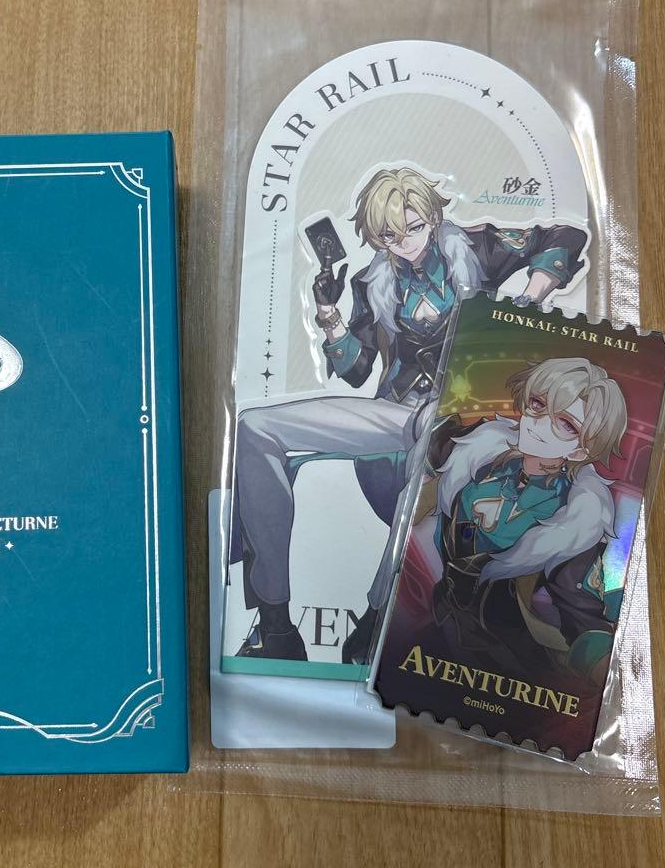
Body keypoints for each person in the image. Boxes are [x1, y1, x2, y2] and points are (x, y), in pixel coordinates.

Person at [233, 166, 588, 663]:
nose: (404, 243)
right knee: (255, 427)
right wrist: (330, 320)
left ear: (433, 216)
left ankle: (379, 619)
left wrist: (527, 303)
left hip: (459, 414)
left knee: (426, 454)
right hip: (396, 412)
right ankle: (275, 626)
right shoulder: (370, 282)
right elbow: (356, 371)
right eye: (388, 236)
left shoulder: (478, 246)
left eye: (414, 227)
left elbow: (567, 235)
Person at [430, 357, 626, 682]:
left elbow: (581, 616)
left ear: (580, 451)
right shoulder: (481, 454)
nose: (538, 423)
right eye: (538, 404)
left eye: (565, 423)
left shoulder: (570, 522)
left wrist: (606, 670)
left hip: (498, 661)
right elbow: (430, 439)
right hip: (437, 624)